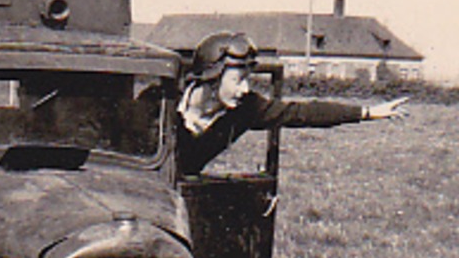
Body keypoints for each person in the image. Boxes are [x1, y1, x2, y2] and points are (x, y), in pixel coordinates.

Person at [175, 32, 409, 177]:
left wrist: (367, 112)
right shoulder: (162, 102)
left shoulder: (244, 109)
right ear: (212, 78)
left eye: (247, 80)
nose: (245, 89)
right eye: (238, 80)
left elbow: (301, 113)